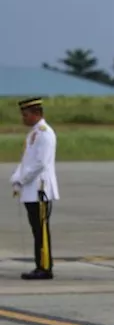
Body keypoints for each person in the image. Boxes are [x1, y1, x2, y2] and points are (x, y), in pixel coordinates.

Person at [10, 97, 58, 280]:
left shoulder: (45, 134)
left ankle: (45, 268)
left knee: (41, 230)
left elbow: (39, 163)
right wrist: (16, 177)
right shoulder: (34, 134)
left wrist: (21, 180)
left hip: (40, 189)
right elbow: (26, 161)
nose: (23, 118)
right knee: (36, 230)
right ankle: (41, 265)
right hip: (31, 189)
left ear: (37, 114)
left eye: (26, 115)